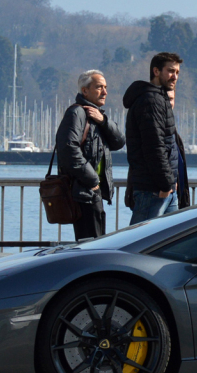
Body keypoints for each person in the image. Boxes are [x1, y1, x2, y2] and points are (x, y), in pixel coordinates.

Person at [56, 70, 124, 240]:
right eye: (99, 87)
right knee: (91, 244)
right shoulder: (77, 113)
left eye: (106, 87)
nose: (105, 92)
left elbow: (119, 142)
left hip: (93, 191)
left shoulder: (97, 116)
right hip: (84, 191)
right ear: (85, 91)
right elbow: (68, 149)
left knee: (96, 242)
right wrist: (92, 179)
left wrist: (103, 121)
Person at [122, 51, 182, 224]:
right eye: (170, 71)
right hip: (153, 189)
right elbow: (154, 146)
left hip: (163, 188)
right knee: (140, 244)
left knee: (167, 243)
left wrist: (170, 183)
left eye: (177, 72)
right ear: (156, 71)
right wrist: (165, 184)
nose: (174, 76)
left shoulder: (158, 98)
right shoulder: (151, 101)